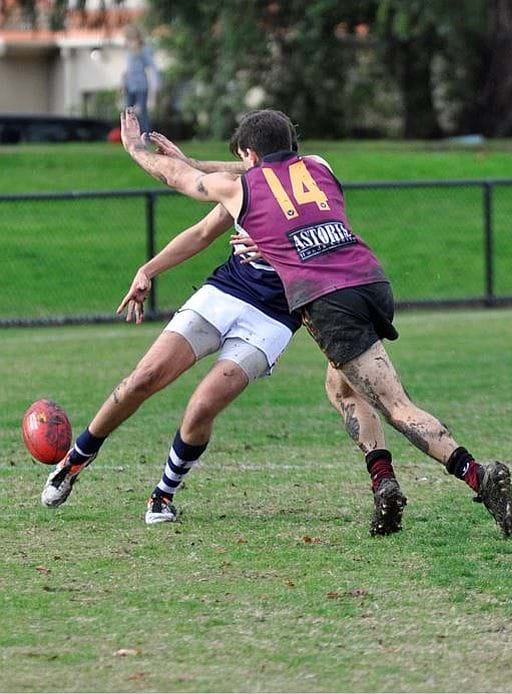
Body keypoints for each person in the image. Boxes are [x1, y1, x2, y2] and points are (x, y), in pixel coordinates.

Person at [118, 107, 512, 537]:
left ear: (249, 155)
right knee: (341, 385)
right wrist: (198, 161)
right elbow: (260, 165)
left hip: (329, 298)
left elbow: (174, 178)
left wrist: (136, 148)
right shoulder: (319, 165)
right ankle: (383, 483)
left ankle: (479, 476)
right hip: (370, 280)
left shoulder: (242, 188)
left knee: (397, 406)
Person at [41, 132, 404, 533]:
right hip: (225, 293)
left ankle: (162, 495)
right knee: (143, 378)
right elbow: (200, 233)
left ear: (253, 153)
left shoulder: (315, 180)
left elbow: (323, 240)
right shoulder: (250, 188)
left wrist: (277, 244)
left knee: (202, 406)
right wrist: (147, 270)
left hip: (274, 317)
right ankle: (75, 460)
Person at [121, 25, 160, 136]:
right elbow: (127, 70)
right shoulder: (128, 51)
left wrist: (156, 85)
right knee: (128, 112)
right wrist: (123, 84)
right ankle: (130, 136)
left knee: (142, 112)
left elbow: (151, 67)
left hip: (141, 85)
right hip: (129, 85)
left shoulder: (144, 50)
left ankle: (146, 136)